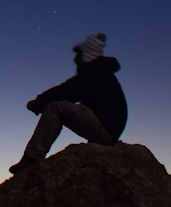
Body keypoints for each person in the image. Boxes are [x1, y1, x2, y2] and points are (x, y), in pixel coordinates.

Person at [10, 32, 127, 174]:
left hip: (106, 130)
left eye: (78, 56)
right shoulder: (100, 72)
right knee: (68, 107)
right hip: (108, 128)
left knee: (55, 108)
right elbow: (71, 90)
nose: (75, 60)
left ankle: (32, 158)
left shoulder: (95, 72)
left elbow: (67, 90)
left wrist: (38, 102)